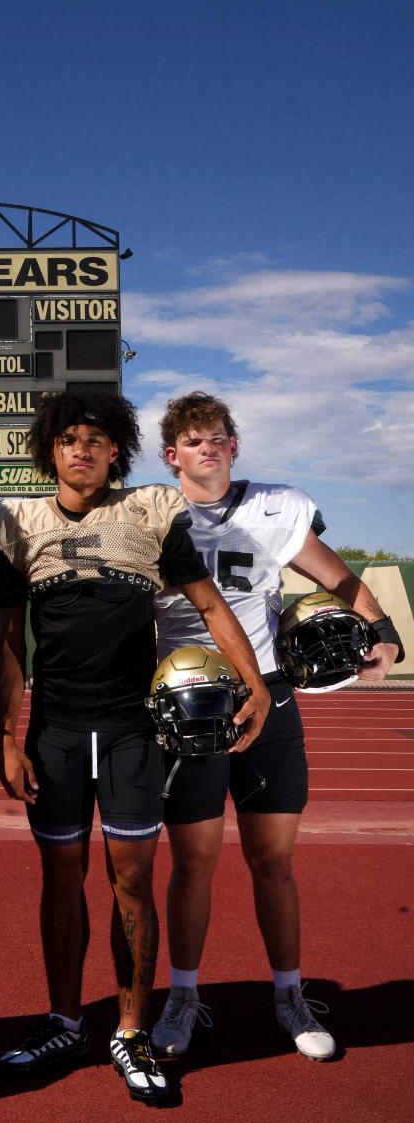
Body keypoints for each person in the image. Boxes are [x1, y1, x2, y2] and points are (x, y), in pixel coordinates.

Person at [0, 390, 271, 1103]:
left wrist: (254, 684)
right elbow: (10, 642)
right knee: (59, 880)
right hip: (53, 731)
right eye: (68, 439)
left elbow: (208, 603)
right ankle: (62, 1019)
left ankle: (132, 1028)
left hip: (129, 729)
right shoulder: (17, 523)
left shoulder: (148, 513)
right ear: (49, 450)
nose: (81, 450)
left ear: (118, 451)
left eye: (96, 440)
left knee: (132, 881)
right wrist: (5, 737)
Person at [151, 391, 403, 1062]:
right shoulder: (150, 514)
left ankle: (289, 995)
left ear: (234, 446)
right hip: (190, 701)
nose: (208, 447)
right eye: (193, 440)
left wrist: (383, 630)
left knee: (273, 861)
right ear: (171, 454)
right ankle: (181, 996)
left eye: (218, 437)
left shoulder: (275, 507)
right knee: (193, 863)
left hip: (270, 695)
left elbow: (335, 574)